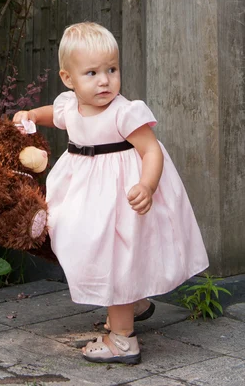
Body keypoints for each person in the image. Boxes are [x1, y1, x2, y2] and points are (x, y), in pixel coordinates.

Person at [13, 21, 209, 365]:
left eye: (112, 70)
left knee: (115, 255)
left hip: (122, 194)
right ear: (68, 78)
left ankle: (122, 339)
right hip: (84, 191)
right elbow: (52, 115)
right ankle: (133, 303)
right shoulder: (70, 106)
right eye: (92, 73)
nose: (104, 80)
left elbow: (151, 151)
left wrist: (146, 186)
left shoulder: (124, 112)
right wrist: (30, 115)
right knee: (77, 241)